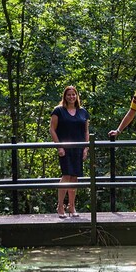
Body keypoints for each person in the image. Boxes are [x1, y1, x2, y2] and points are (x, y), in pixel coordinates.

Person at [50, 86, 90, 218]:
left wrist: (86, 148)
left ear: (76, 96)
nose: (71, 97)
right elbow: (52, 129)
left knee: (74, 177)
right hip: (65, 148)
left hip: (78, 147)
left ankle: (72, 206)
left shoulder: (83, 112)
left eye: (73, 94)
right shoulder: (58, 111)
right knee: (66, 175)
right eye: (69, 95)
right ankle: (60, 206)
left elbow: (86, 131)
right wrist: (59, 146)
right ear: (65, 96)